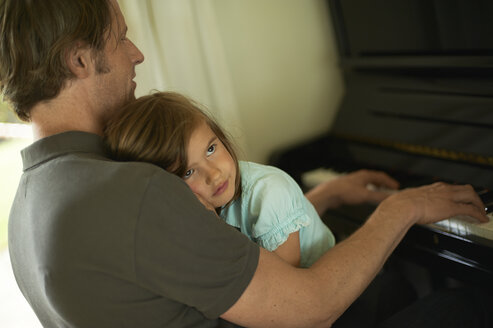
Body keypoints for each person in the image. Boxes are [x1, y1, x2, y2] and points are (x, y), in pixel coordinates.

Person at [1, 0, 490, 327]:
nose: (137, 54)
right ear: (79, 61)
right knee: (470, 303)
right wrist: (401, 207)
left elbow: (198, 261)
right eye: (120, 38)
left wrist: (315, 200)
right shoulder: (129, 190)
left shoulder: (26, 209)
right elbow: (312, 304)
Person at [104, 91, 400, 268]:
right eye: (188, 172)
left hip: (335, 297)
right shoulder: (186, 211)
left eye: (211, 148)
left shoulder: (269, 192)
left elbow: (290, 295)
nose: (215, 173)